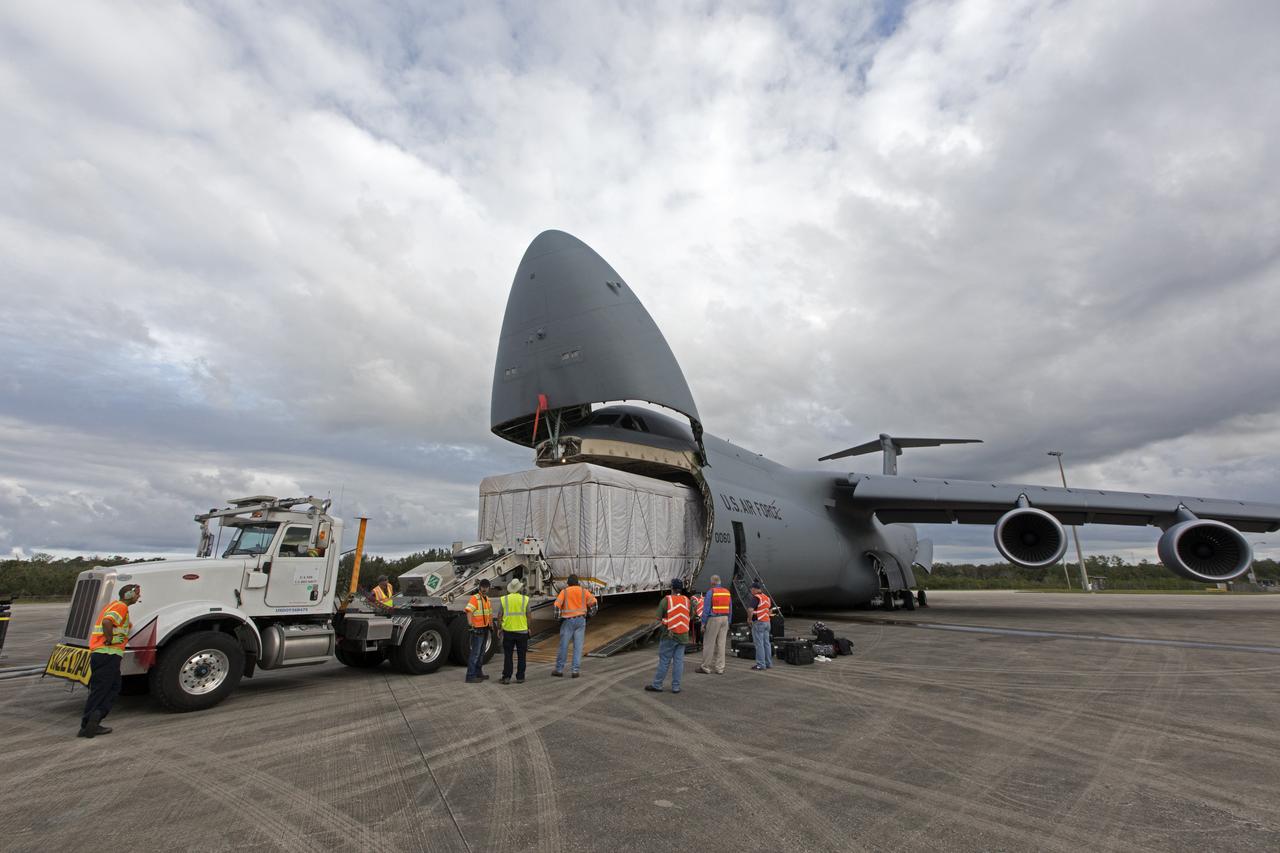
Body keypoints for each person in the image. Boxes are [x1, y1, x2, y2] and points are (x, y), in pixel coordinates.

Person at [79, 583, 141, 738]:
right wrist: (110, 639)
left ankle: (93, 720)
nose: (139, 596)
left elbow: (114, 624)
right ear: (128, 595)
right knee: (103, 689)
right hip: (108, 654)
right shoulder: (121, 607)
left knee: (111, 687)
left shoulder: (115, 606)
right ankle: (90, 724)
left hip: (105, 655)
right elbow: (107, 622)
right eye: (137, 594)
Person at [645, 578, 692, 693]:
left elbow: (658, 618)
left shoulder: (666, 600)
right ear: (681, 588)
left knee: (664, 661)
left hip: (669, 635)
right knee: (678, 662)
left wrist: (666, 621)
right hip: (683, 635)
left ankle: (657, 685)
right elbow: (691, 614)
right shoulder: (686, 600)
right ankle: (676, 687)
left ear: (672, 588)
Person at [552, 575, 597, 678]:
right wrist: (590, 615)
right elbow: (594, 604)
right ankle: (575, 671)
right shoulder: (583, 591)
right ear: (578, 583)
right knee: (578, 647)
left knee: (563, 646)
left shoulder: (565, 592)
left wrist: (558, 618)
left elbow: (556, 606)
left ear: (568, 583)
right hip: (581, 621)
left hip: (567, 621)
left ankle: (559, 670)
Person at [496, 578, 530, 685]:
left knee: (508, 656)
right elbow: (529, 616)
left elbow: (499, 616)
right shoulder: (525, 599)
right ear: (519, 589)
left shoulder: (504, 599)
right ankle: (520, 677)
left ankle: (506, 677)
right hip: (522, 632)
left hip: (508, 632)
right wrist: (528, 627)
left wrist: (499, 628)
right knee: (521, 656)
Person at [697, 574, 732, 675]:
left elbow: (706, 609)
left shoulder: (711, 592)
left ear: (712, 583)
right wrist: (729, 621)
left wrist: (703, 623)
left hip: (714, 619)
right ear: (719, 582)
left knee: (709, 643)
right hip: (725, 619)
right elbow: (730, 608)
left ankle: (705, 667)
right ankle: (720, 668)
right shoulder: (727, 592)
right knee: (721, 644)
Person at [463, 579, 493, 683]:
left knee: (481, 653)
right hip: (477, 629)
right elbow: (469, 611)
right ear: (479, 587)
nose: (484, 589)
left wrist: (491, 626)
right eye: (483, 587)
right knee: (475, 653)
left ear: (489, 588)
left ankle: (478, 673)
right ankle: (470, 676)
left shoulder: (487, 599)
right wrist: (471, 626)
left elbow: (489, 614)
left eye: (486, 587)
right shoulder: (475, 598)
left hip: (485, 629)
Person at [748, 580, 773, 670]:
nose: (751, 591)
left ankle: (761, 664)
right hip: (767, 622)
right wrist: (766, 615)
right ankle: (768, 663)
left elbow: (750, 609)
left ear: (755, 589)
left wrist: (750, 619)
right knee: (767, 643)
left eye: (751, 589)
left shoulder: (756, 598)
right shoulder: (767, 598)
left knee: (759, 644)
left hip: (759, 623)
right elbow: (770, 610)